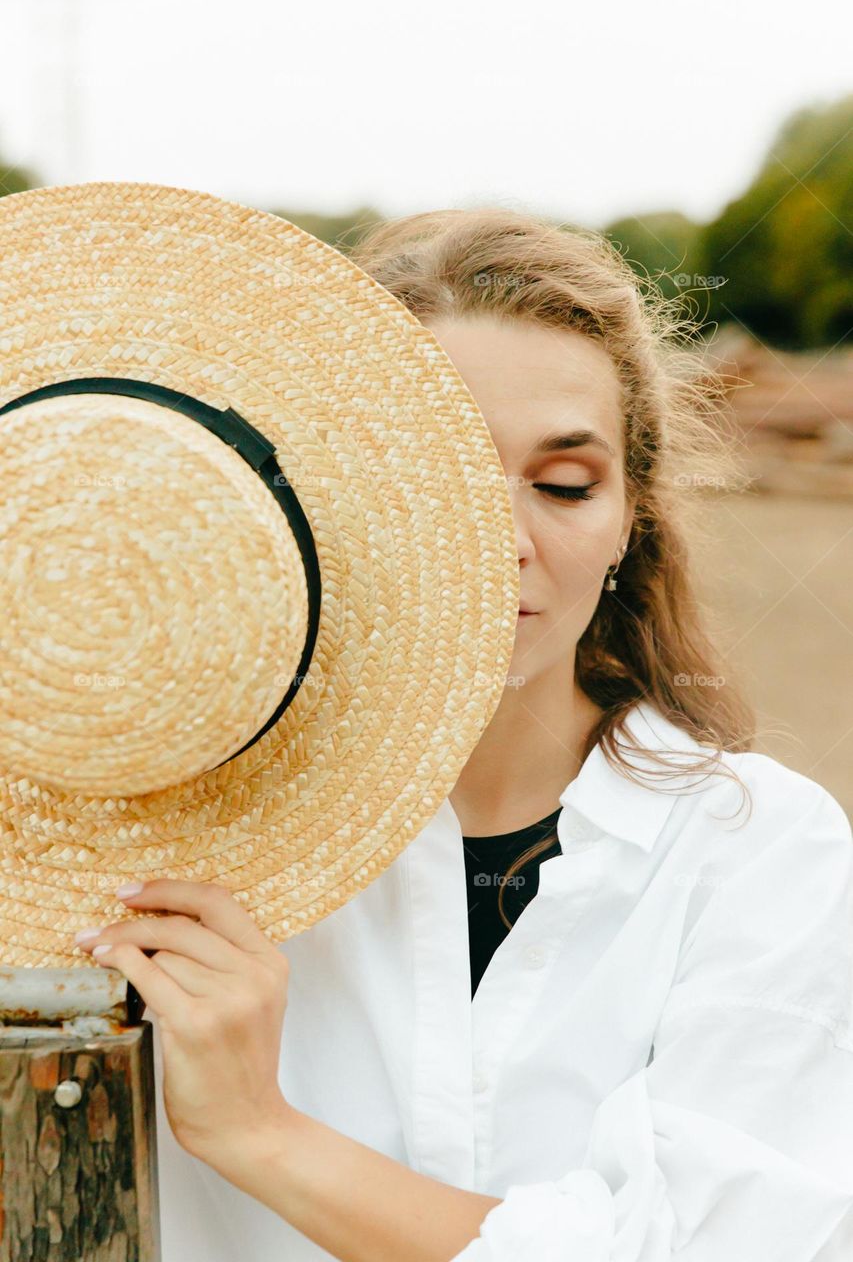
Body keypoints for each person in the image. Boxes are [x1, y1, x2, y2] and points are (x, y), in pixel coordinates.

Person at [105, 207, 853, 1260]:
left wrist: (257, 1132)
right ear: (337, 492)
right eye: (436, 474)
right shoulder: (145, 840)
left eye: (561, 485)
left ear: (631, 509)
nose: (500, 542)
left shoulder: (762, 852)